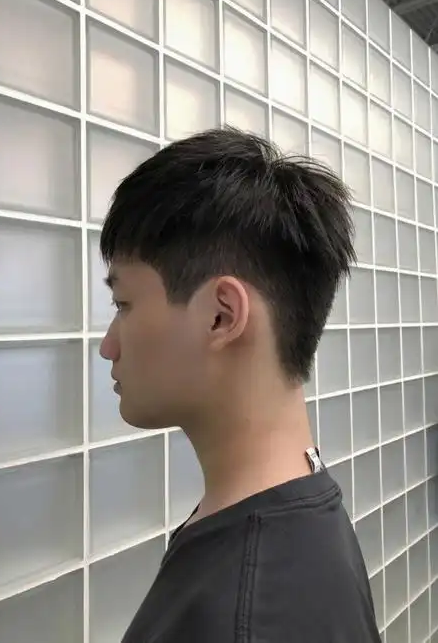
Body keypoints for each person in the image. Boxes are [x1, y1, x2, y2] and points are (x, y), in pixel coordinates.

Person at [99, 127, 382, 642]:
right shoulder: (297, 514)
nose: (108, 345)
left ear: (221, 316)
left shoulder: (248, 614)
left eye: (124, 304)